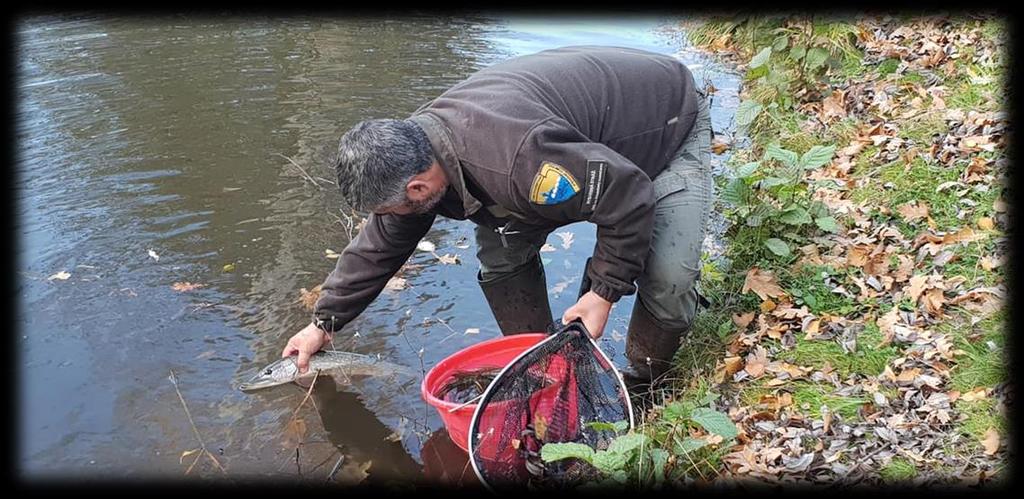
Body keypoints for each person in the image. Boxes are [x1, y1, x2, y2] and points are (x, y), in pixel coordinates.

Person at [282, 45, 713, 391]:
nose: (390, 218)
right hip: (577, 143)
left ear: (417, 188)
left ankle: (646, 378)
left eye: (392, 208)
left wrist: (603, 292)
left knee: (668, 278)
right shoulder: (418, 153)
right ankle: (543, 361)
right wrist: (323, 323)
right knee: (501, 255)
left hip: (663, 124)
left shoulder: (520, 161)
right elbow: (380, 246)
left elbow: (628, 193)